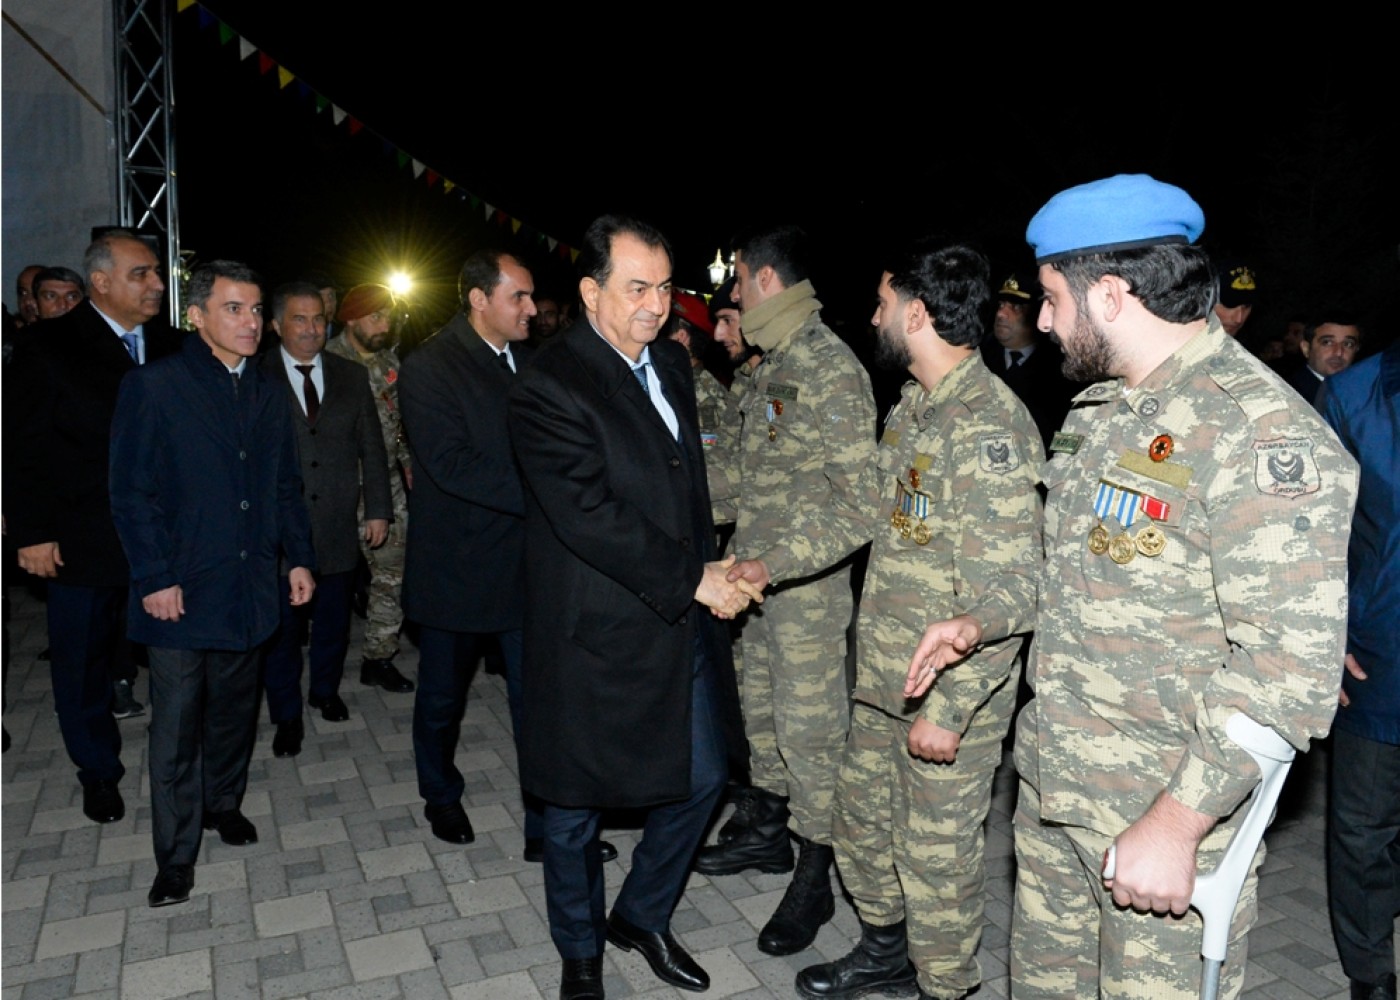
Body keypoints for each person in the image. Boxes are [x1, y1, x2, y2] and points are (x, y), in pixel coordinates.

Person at [906, 174, 1357, 999]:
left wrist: (1177, 822)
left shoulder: (1262, 434)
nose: (1041, 319)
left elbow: (1290, 673)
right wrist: (981, 619)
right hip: (1054, 796)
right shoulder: (1099, 412)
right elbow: (1063, 575)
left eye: (1050, 298)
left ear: (1109, 294)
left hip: (1162, 819)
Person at [508, 215, 759, 1000]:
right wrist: (695, 578)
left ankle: (641, 914)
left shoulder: (673, 368)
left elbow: (684, 491)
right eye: (637, 288)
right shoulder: (549, 384)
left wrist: (719, 566)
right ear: (591, 292)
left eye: (665, 287)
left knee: (706, 773)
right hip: (592, 629)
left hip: (675, 616)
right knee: (574, 806)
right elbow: (588, 515)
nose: (656, 306)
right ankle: (580, 956)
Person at [791, 244, 1042, 1000]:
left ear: (919, 314)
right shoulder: (912, 406)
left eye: (881, 303)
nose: (873, 316)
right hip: (884, 681)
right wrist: (765, 567)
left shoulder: (989, 428)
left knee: (936, 862)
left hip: (946, 699)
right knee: (862, 832)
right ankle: (883, 953)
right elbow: (860, 509)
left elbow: (1014, 591)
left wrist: (951, 710)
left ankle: (946, 987)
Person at [110, 260, 316, 908]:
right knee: (175, 729)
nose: (252, 322)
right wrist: (154, 576)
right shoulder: (155, 386)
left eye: (256, 310)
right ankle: (175, 859)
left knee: (233, 715)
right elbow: (129, 491)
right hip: (179, 593)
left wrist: (299, 559)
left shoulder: (263, 389)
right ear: (195, 316)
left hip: (248, 589)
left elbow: (283, 485)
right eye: (235, 309)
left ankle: (222, 805)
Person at [697, 224, 878, 957]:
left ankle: (816, 872)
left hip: (802, 592)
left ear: (766, 279)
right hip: (752, 583)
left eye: (738, 280)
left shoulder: (830, 367)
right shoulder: (769, 367)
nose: (732, 294)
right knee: (762, 721)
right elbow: (742, 482)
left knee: (811, 738)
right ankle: (769, 836)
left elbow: (857, 502)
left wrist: (775, 564)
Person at [398, 249, 615, 858]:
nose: (530, 308)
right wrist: (551, 493)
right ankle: (440, 795)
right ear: (478, 299)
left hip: (527, 568)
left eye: (529, 297)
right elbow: (451, 466)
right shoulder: (429, 367)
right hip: (458, 569)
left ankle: (548, 829)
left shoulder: (530, 360)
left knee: (541, 704)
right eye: (517, 297)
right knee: (442, 698)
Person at [6, 230, 178, 826]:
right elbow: (21, 445)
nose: (157, 283)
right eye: (142, 274)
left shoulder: (175, 344)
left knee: (173, 653)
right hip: (81, 534)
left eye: (157, 272)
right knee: (81, 663)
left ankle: (181, 763)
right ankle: (99, 771)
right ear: (101, 282)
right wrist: (31, 530)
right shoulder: (46, 346)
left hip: (164, 534)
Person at [260, 282, 391, 755]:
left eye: (318, 319)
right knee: (284, 632)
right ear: (276, 325)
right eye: (299, 319)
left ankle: (325, 692)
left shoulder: (349, 375)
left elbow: (372, 447)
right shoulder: (257, 375)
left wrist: (378, 509)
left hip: (338, 522)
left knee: (334, 621)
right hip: (280, 531)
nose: (312, 328)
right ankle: (286, 715)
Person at [1319, 341, 1400, 1000]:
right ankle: (1371, 976)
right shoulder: (1352, 396)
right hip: (1379, 652)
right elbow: (1315, 530)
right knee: (1363, 829)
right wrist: (1328, 630)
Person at [324, 285, 416, 693]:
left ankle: (379, 656)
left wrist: (408, 466)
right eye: (376, 317)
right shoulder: (325, 362)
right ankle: (323, 670)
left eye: (388, 317)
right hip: (338, 487)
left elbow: (398, 425)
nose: (385, 325)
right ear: (352, 319)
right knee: (333, 582)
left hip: (386, 485)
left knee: (394, 572)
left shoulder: (388, 362)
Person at [979, 269, 1080, 455]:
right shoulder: (978, 358)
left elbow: (1068, 440)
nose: (1001, 313)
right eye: (1001, 304)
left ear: (1037, 313)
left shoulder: (1063, 370)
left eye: (1016, 307)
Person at [1288, 317, 1363, 407]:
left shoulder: (1365, 392)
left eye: (1348, 344)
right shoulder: (1288, 393)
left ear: (1356, 349)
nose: (1339, 352)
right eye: (1327, 342)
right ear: (1306, 349)